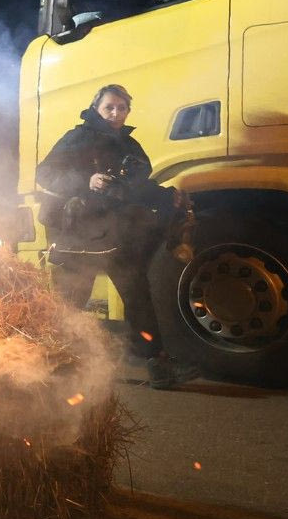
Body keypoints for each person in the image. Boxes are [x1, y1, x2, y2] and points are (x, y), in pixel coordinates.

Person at [36, 83, 196, 388]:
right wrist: (87, 180)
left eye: (121, 108)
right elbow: (45, 174)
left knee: (138, 298)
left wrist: (167, 197)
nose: (115, 113)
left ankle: (159, 365)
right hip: (80, 238)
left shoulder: (129, 146)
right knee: (72, 302)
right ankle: (52, 364)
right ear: (96, 108)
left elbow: (134, 189)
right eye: (109, 107)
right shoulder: (78, 137)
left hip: (118, 237)